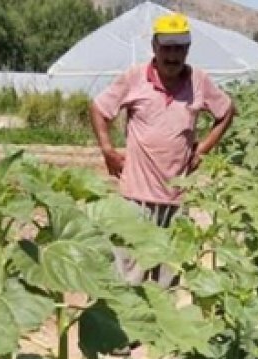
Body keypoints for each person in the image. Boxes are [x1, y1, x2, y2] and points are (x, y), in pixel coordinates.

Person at [90, 11, 237, 286]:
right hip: (135, 199)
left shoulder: (199, 82)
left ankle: (158, 329)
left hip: (176, 201)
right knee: (126, 279)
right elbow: (99, 108)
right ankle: (127, 329)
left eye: (179, 49)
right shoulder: (135, 78)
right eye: (167, 48)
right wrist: (107, 149)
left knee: (165, 283)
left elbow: (227, 111)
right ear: (155, 47)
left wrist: (203, 149)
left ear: (188, 49)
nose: (172, 56)